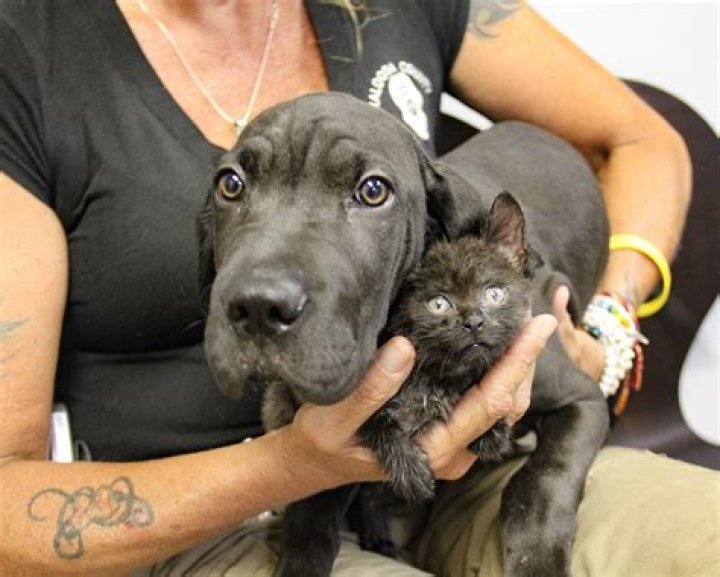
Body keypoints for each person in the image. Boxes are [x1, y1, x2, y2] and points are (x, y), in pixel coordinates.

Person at [0, 1, 716, 576]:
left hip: (463, 466)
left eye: (369, 190)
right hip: (205, 520)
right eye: (234, 186)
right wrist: (289, 467)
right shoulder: (27, 53)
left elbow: (640, 143)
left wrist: (607, 325)